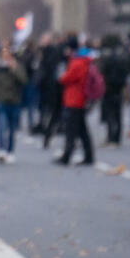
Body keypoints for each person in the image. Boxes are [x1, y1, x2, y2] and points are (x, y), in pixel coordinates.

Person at [53, 37, 94, 166]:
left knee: (71, 130)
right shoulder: (83, 60)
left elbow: (66, 78)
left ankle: (67, 155)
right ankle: (89, 155)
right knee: (82, 130)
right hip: (78, 99)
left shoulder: (77, 62)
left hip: (74, 99)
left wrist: (61, 77)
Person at [0, 44, 26, 163]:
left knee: (12, 129)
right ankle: (1, 150)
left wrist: (14, 69)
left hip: (14, 101)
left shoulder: (17, 66)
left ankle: (10, 151)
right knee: (1, 126)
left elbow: (24, 80)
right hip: (0, 101)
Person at [98, 34, 130, 146]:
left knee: (110, 114)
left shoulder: (106, 57)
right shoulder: (122, 56)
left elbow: (102, 72)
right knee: (118, 113)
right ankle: (117, 138)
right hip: (119, 87)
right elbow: (126, 71)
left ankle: (111, 137)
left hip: (109, 88)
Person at [39, 33, 64, 148]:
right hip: (55, 88)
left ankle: (48, 136)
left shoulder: (50, 53)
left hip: (54, 88)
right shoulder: (52, 53)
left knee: (54, 115)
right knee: (56, 115)